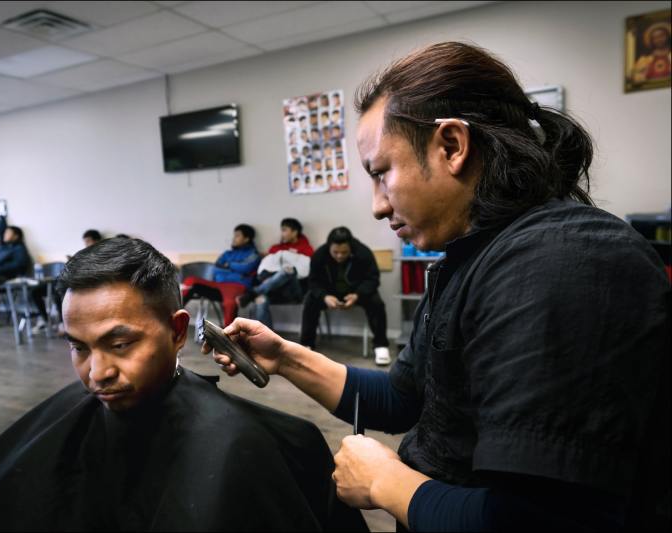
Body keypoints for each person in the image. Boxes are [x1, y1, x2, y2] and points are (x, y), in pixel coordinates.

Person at [205, 42, 670, 531]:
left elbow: (539, 522)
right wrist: (284, 356)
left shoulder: (564, 264)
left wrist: (386, 482)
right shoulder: (473, 257)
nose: (378, 207)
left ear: (451, 146)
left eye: (382, 173)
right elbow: (404, 398)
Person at [0, 237, 368, 532]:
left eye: (119, 344)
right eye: (78, 347)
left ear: (178, 331)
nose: (96, 373)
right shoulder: (67, 420)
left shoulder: (257, 444)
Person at [300, 227, 390, 365]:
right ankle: (306, 345)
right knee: (310, 300)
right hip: (329, 293)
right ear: (329, 247)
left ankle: (381, 346)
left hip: (357, 292)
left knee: (376, 302)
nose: (340, 256)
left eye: (344, 252)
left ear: (351, 247)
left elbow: (373, 279)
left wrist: (357, 295)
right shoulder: (319, 255)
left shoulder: (363, 253)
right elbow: (313, 282)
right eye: (335, 252)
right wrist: (324, 296)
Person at [239, 218, 313, 328]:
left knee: (288, 270)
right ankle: (266, 339)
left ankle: (253, 292)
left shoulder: (307, 249)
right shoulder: (275, 248)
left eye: (284, 230)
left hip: (293, 291)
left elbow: (306, 270)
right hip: (272, 290)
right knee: (260, 299)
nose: (281, 234)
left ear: (295, 232)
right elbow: (267, 266)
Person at [181, 224, 260, 327]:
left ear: (246, 239)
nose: (234, 238)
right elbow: (216, 268)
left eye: (237, 235)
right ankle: (172, 314)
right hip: (218, 285)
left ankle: (228, 337)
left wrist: (228, 265)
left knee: (229, 305)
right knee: (191, 281)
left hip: (237, 286)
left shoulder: (254, 254)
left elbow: (246, 268)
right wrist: (235, 269)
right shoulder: (227, 254)